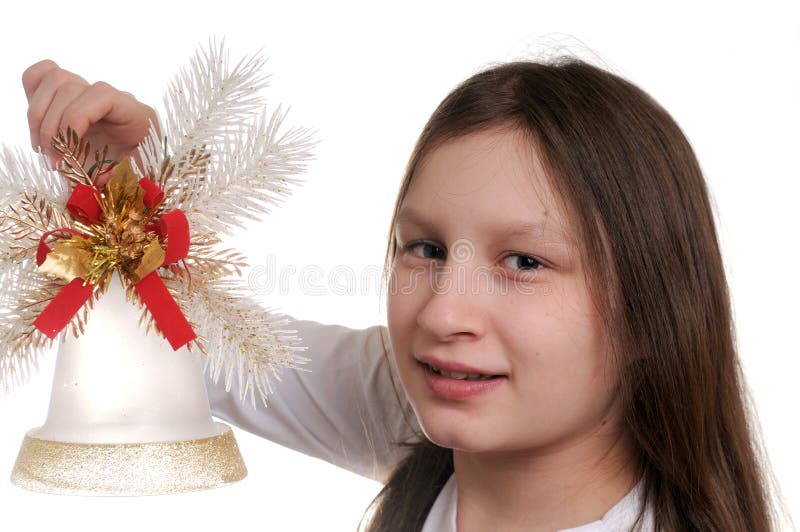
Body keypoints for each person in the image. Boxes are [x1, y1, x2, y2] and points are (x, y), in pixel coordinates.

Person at [20, 55, 781, 532]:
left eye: (523, 261)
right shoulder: (417, 406)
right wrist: (120, 199)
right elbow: (193, 345)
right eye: (425, 248)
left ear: (653, 310)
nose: (444, 312)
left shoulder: (438, 404)